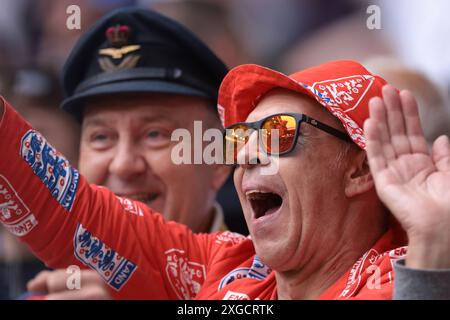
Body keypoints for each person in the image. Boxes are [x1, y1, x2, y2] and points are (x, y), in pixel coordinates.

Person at [0, 60, 449, 299]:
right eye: (239, 139)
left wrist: (433, 251)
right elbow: (66, 208)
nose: (249, 152)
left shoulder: (404, 281)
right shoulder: (225, 267)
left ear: (360, 169)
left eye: (277, 134)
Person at [22, 7, 235, 299]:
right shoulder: (40, 289)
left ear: (218, 160)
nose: (123, 165)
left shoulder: (274, 286)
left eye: (154, 134)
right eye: (101, 138)